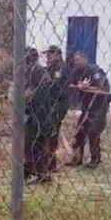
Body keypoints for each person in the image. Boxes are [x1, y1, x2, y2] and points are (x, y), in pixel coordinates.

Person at [66, 52, 111, 168]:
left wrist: (86, 87)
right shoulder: (76, 72)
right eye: (75, 61)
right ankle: (77, 158)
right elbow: (70, 84)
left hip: (99, 105)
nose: (76, 63)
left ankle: (95, 159)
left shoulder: (95, 71)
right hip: (86, 106)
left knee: (93, 131)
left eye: (78, 60)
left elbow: (103, 88)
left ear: (85, 60)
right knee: (79, 131)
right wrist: (78, 86)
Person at [23, 47, 56, 184]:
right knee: (29, 144)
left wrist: (26, 96)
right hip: (34, 114)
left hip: (40, 114)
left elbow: (33, 94)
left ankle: (41, 174)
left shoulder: (38, 72)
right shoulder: (33, 71)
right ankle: (29, 171)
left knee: (37, 144)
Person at [44, 45, 70, 173]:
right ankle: (49, 162)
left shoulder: (61, 67)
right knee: (49, 131)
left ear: (57, 54)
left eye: (50, 54)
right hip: (51, 103)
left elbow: (55, 84)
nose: (47, 56)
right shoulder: (50, 67)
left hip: (59, 103)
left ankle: (51, 164)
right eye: (47, 54)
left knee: (52, 131)